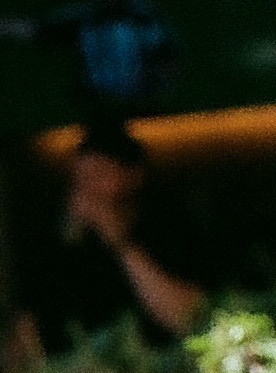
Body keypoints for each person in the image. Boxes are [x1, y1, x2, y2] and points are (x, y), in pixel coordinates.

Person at [19, 114, 207, 351]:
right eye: (80, 180)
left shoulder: (169, 232)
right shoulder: (57, 246)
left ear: (132, 177)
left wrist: (121, 244)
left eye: (99, 176)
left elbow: (186, 319)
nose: (87, 191)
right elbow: (28, 331)